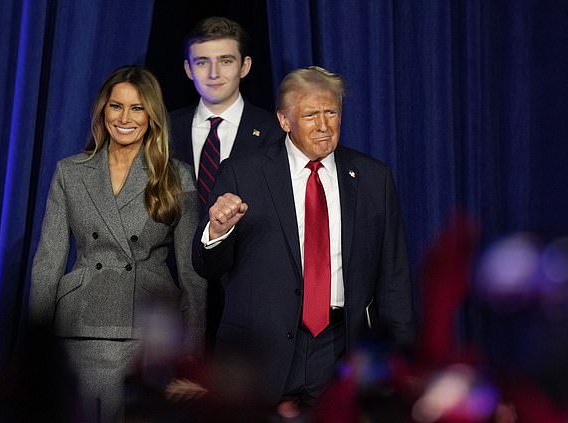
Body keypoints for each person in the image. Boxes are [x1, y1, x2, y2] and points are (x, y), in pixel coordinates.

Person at [192, 66, 415, 407]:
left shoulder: (373, 178)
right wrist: (218, 231)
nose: (324, 126)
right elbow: (207, 266)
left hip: (342, 349)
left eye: (332, 113)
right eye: (311, 115)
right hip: (260, 353)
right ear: (284, 121)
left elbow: (394, 280)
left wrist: (398, 361)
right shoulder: (242, 173)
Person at [30, 66, 206, 423]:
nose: (125, 118)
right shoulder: (71, 171)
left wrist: (191, 359)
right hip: (79, 328)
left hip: (147, 333)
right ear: (102, 111)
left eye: (137, 108)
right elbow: (47, 264)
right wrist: (35, 350)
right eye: (116, 106)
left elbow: (193, 275)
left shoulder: (177, 176)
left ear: (152, 115)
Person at [170, 16, 283, 350]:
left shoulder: (276, 132)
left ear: (245, 66)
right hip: (177, 300)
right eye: (202, 62)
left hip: (248, 295)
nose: (214, 73)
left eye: (226, 61)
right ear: (189, 69)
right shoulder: (163, 130)